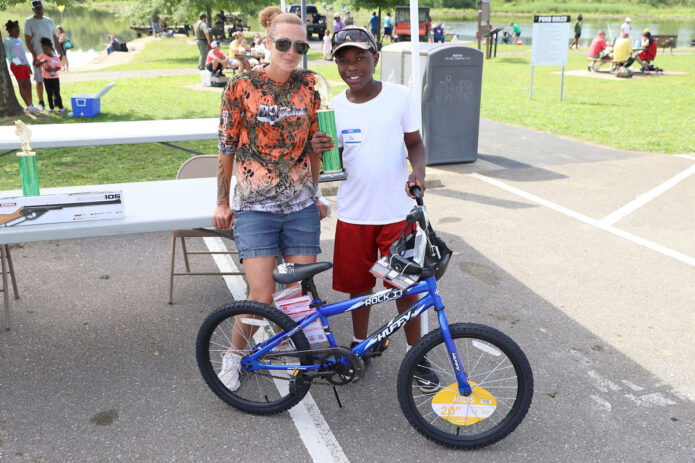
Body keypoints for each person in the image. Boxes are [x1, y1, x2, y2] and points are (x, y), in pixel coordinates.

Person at [213, 11, 332, 391]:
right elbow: (226, 149)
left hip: (300, 207)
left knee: (296, 292)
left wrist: (316, 193)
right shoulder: (240, 86)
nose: (291, 51)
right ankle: (234, 356)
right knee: (262, 293)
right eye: (283, 43)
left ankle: (283, 350)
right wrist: (222, 202)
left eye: (300, 46)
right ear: (267, 42)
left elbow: (316, 146)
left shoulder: (311, 85)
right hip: (254, 207)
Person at [328, 26, 439, 391]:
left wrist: (417, 173)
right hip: (353, 215)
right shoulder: (333, 109)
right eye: (343, 60)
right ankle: (363, 346)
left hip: (397, 214)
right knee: (358, 290)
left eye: (360, 57)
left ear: (375, 58)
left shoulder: (399, 97)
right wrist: (321, 148)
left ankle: (417, 355)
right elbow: (335, 161)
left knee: (406, 288)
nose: (352, 66)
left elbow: (415, 144)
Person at [24, 0, 66, 112]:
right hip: (39, 56)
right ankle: (41, 102)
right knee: (39, 80)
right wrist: (34, 55)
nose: (39, 10)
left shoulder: (49, 21)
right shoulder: (29, 22)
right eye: (36, 8)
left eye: (40, 8)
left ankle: (56, 101)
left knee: (52, 79)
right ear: (33, 9)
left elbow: (55, 39)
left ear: (43, 8)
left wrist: (60, 52)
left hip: (51, 56)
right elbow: (27, 40)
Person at [4, 20, 40, 113]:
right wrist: (13, 61)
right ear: (10, 31)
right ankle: (28, 105)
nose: (18, 32)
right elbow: (8, 54)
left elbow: (23, 54)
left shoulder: (19, 40)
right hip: (16, 66)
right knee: (22, 85)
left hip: (24, 65)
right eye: (16, 30)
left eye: (18, 30)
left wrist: (28, 65)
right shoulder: (8, 40)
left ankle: (31, 105)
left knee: (28, 84)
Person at [36, 36, 63, 113]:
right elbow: (36, 64)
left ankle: (61, 107)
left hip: (55, 78)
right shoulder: (42, 56)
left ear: (51, 49)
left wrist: (53, 70)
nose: (45, 51)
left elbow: (59, 67)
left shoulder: (55, 57)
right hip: (46, 78)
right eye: (43, 49)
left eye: (46, 49)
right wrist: (42, 61)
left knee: (56, 92)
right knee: (49, 93)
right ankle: (51, 108)